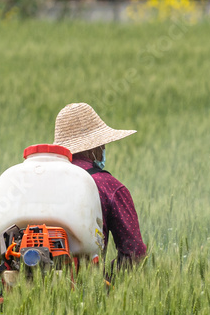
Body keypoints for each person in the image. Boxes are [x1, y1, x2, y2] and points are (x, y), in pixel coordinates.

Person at [53, 102, 147, 273]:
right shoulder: (109, 186)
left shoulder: (41, 179)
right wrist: (101, 280)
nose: (104, 148)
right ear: (94, 147)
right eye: (101, 144)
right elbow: (135, 252)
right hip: (86, 291)